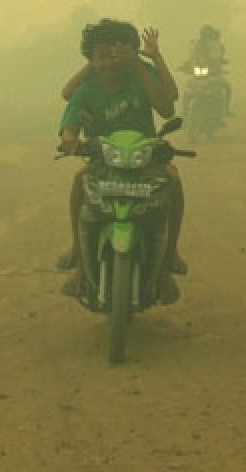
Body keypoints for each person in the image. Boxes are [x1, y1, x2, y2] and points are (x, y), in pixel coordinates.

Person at [56, 19, 187, 302]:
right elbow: (70, 113)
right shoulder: (87, 89)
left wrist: (143, 64)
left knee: (173, 180)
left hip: (146, 158)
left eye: (114, 55)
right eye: (100, 56)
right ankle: (79, 254)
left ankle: (168, 257)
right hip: (103, 161)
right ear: (91, 58)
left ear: (128, 55)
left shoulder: (139, 76)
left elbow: (166, 107)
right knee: (79, 181)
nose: (108, 63)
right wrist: (69, 139)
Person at [180, 25, 233, 117]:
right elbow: (192, 57)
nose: (204, 37)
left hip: (213, 73)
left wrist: (220, 62)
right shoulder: (196, 45)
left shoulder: (215, 45)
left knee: (227, 86)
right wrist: (185, 65)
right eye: (203, 34)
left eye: (206, 34)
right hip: (199, 74)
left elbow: (219, 57)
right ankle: (184, 112)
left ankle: (226, 110)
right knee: (187, 90)